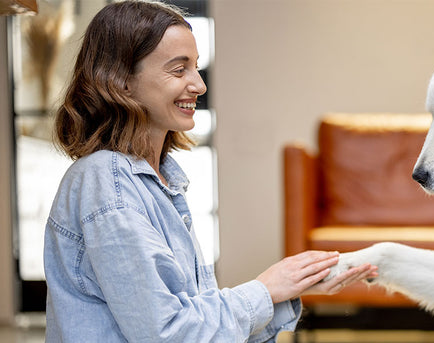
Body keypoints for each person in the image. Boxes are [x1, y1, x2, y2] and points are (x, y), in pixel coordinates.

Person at [44, 1, 376, 342]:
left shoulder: (159, 180)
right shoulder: (106, 182)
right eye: (178, 70)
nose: (199, 86)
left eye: (196, 68)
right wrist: (265, 289)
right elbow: (167, 333)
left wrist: (292, 287)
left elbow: (195, 325)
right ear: (122, 82)